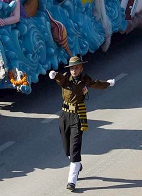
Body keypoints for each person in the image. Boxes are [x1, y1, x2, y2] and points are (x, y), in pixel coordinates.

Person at [49, 56, 116, 192]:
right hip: (64, 115)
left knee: (75, 148)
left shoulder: (85, 80)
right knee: (67, 149)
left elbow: (96, 84)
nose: (74, 70)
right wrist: (54, 75)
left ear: (81, 68)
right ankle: (77, 165)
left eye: (76, 67)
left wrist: (108, 83)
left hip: (78, 116)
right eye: (72, 68)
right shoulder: (65, 78)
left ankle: (72, 181)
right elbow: (59, 78)